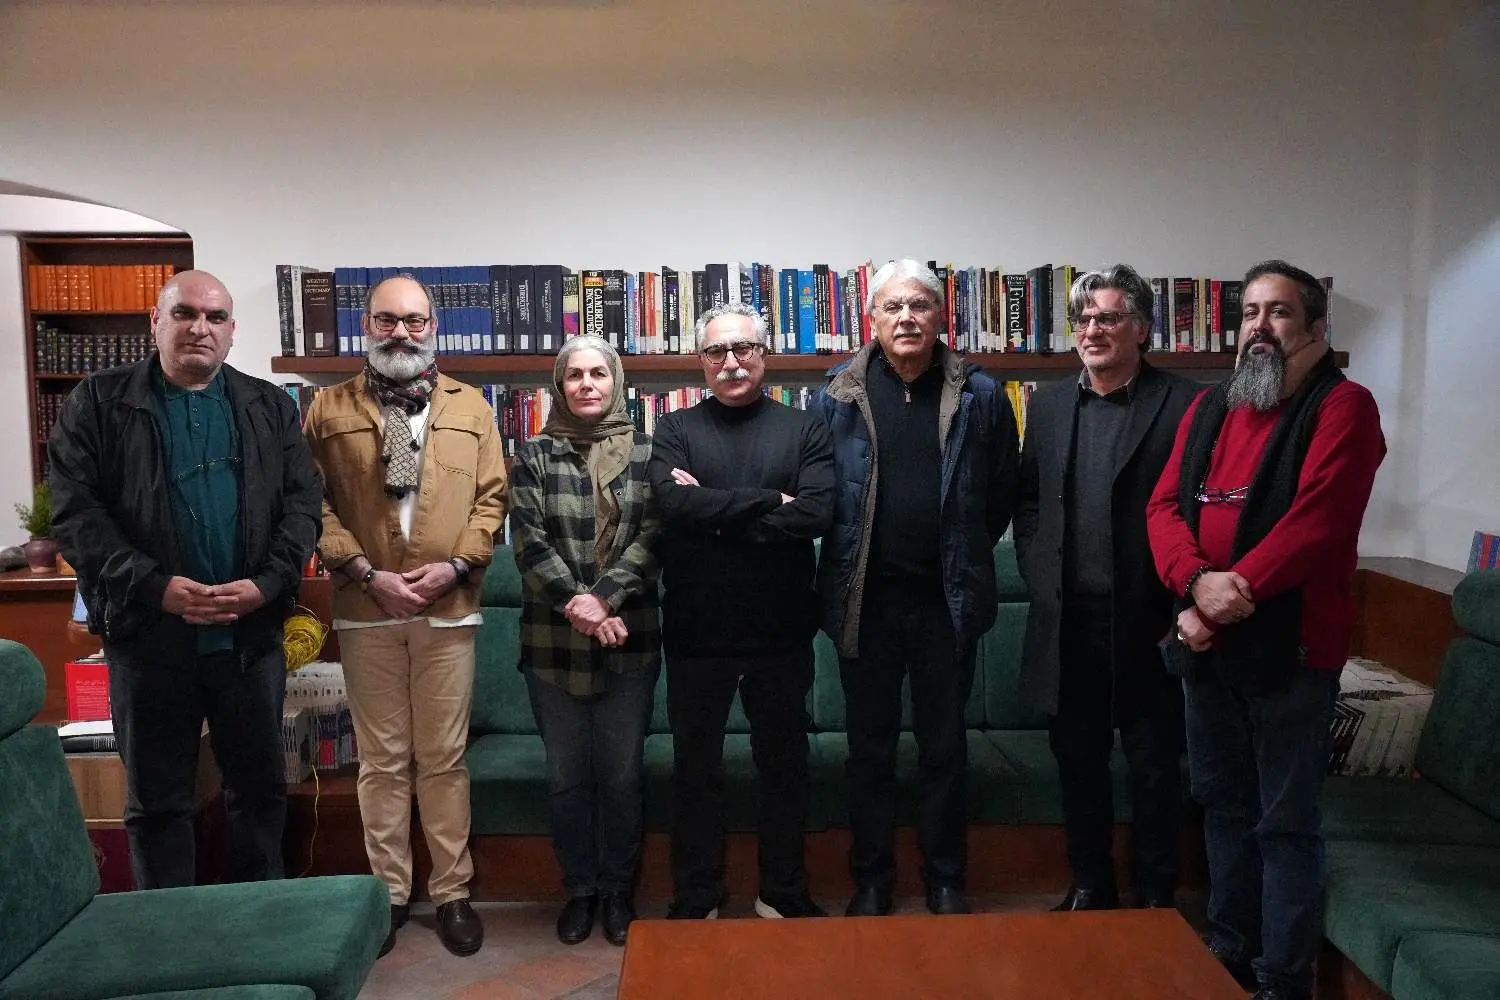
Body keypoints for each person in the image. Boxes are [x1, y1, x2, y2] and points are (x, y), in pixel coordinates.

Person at [1146, 260, 1386, 1000]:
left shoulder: (1344, 407)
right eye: (1250, 312)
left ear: (1316, 327)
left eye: (1278, 312)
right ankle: (1230, 945)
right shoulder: (1211, 407)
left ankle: (1282, 978)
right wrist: (1195, 582)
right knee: (1222, 805)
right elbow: (1164, 508)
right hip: (1211, 647)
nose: (1259, 326)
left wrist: (1221, 599)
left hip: (1293, 651)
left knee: (1285, 823)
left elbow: (1317, 522)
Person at [49, 269, 322, 889]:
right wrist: (154, 586)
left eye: (215, 317)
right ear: (156, 321)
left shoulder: (268, 407)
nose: (201, 327)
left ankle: (262, 925)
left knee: (258, 795)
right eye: (185, 313)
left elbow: (304, 506)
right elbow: (75, 516)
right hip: (149, 641)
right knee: (158, 807)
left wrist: (267, 584)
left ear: (231, 331)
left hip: (248, 640)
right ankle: (168, 933)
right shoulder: (98, 404)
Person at [302, 274, 507, 959]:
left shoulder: (471, 407)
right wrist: (365, 573)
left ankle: (452, 892)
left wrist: (456, 566)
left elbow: (492, 500)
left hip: (449, 608)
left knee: (444, 759)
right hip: (366, 607)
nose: (401, 332)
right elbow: (310, 503)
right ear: (366, 325)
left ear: (433, 327)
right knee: (383, 762)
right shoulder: (326, 409)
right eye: (387, 319)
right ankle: (387, 893)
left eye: (415, 320)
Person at [812, 258, 1020, 917]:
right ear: (870, 319)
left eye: (920, 305)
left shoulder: (981, 395)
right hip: (865, 604)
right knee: (869, 750)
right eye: (893, 306)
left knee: (944, 748)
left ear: (940, 316)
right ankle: (872, 880)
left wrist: (961, 556)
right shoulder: (836, 393)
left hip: (946, 604)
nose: (906, 317)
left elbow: (1002, 494)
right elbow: (821, 491)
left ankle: (945, 879)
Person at [1014, 264, 1198, 912]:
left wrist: (1184, 603)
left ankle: (1154, 894)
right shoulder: (1049, 404)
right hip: (1069, 623)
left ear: (1141, 328)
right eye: (1083, 319)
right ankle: (1091, 882)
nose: (1092, 330)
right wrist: (1039, 572)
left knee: (1155, 766)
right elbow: (1030, 500)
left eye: (1108, 318)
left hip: (1150, 622)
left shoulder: (1187, 404)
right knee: (1078, 761)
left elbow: (1197, 510)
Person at [648, 302, 835, 920]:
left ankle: (782, 890)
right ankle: (698, 893)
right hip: (696, 633)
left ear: (764, 354)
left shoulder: (805, 428)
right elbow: (673, 507)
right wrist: (769, 502)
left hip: (781, 633)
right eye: (716, 351)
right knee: (694, 772)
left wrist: (714, 510)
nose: (730, 361)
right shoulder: (674, 428)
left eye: (743, 348)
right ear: (701, 361)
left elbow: (815, 513)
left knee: (784, 769)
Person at [510, 335, 661, 947]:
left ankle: (618, 890)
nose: (588, 384)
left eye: (599, 373)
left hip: (632, 641)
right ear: (559, 385)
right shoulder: (533, 454)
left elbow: (654, 536)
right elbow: (528, 543)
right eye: (575, 375)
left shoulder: (648, 452)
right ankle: (581, 890)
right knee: (567, 779)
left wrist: (605, 600)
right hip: (553, 644)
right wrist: (581, 606)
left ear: (616, 381)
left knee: (621, 777)